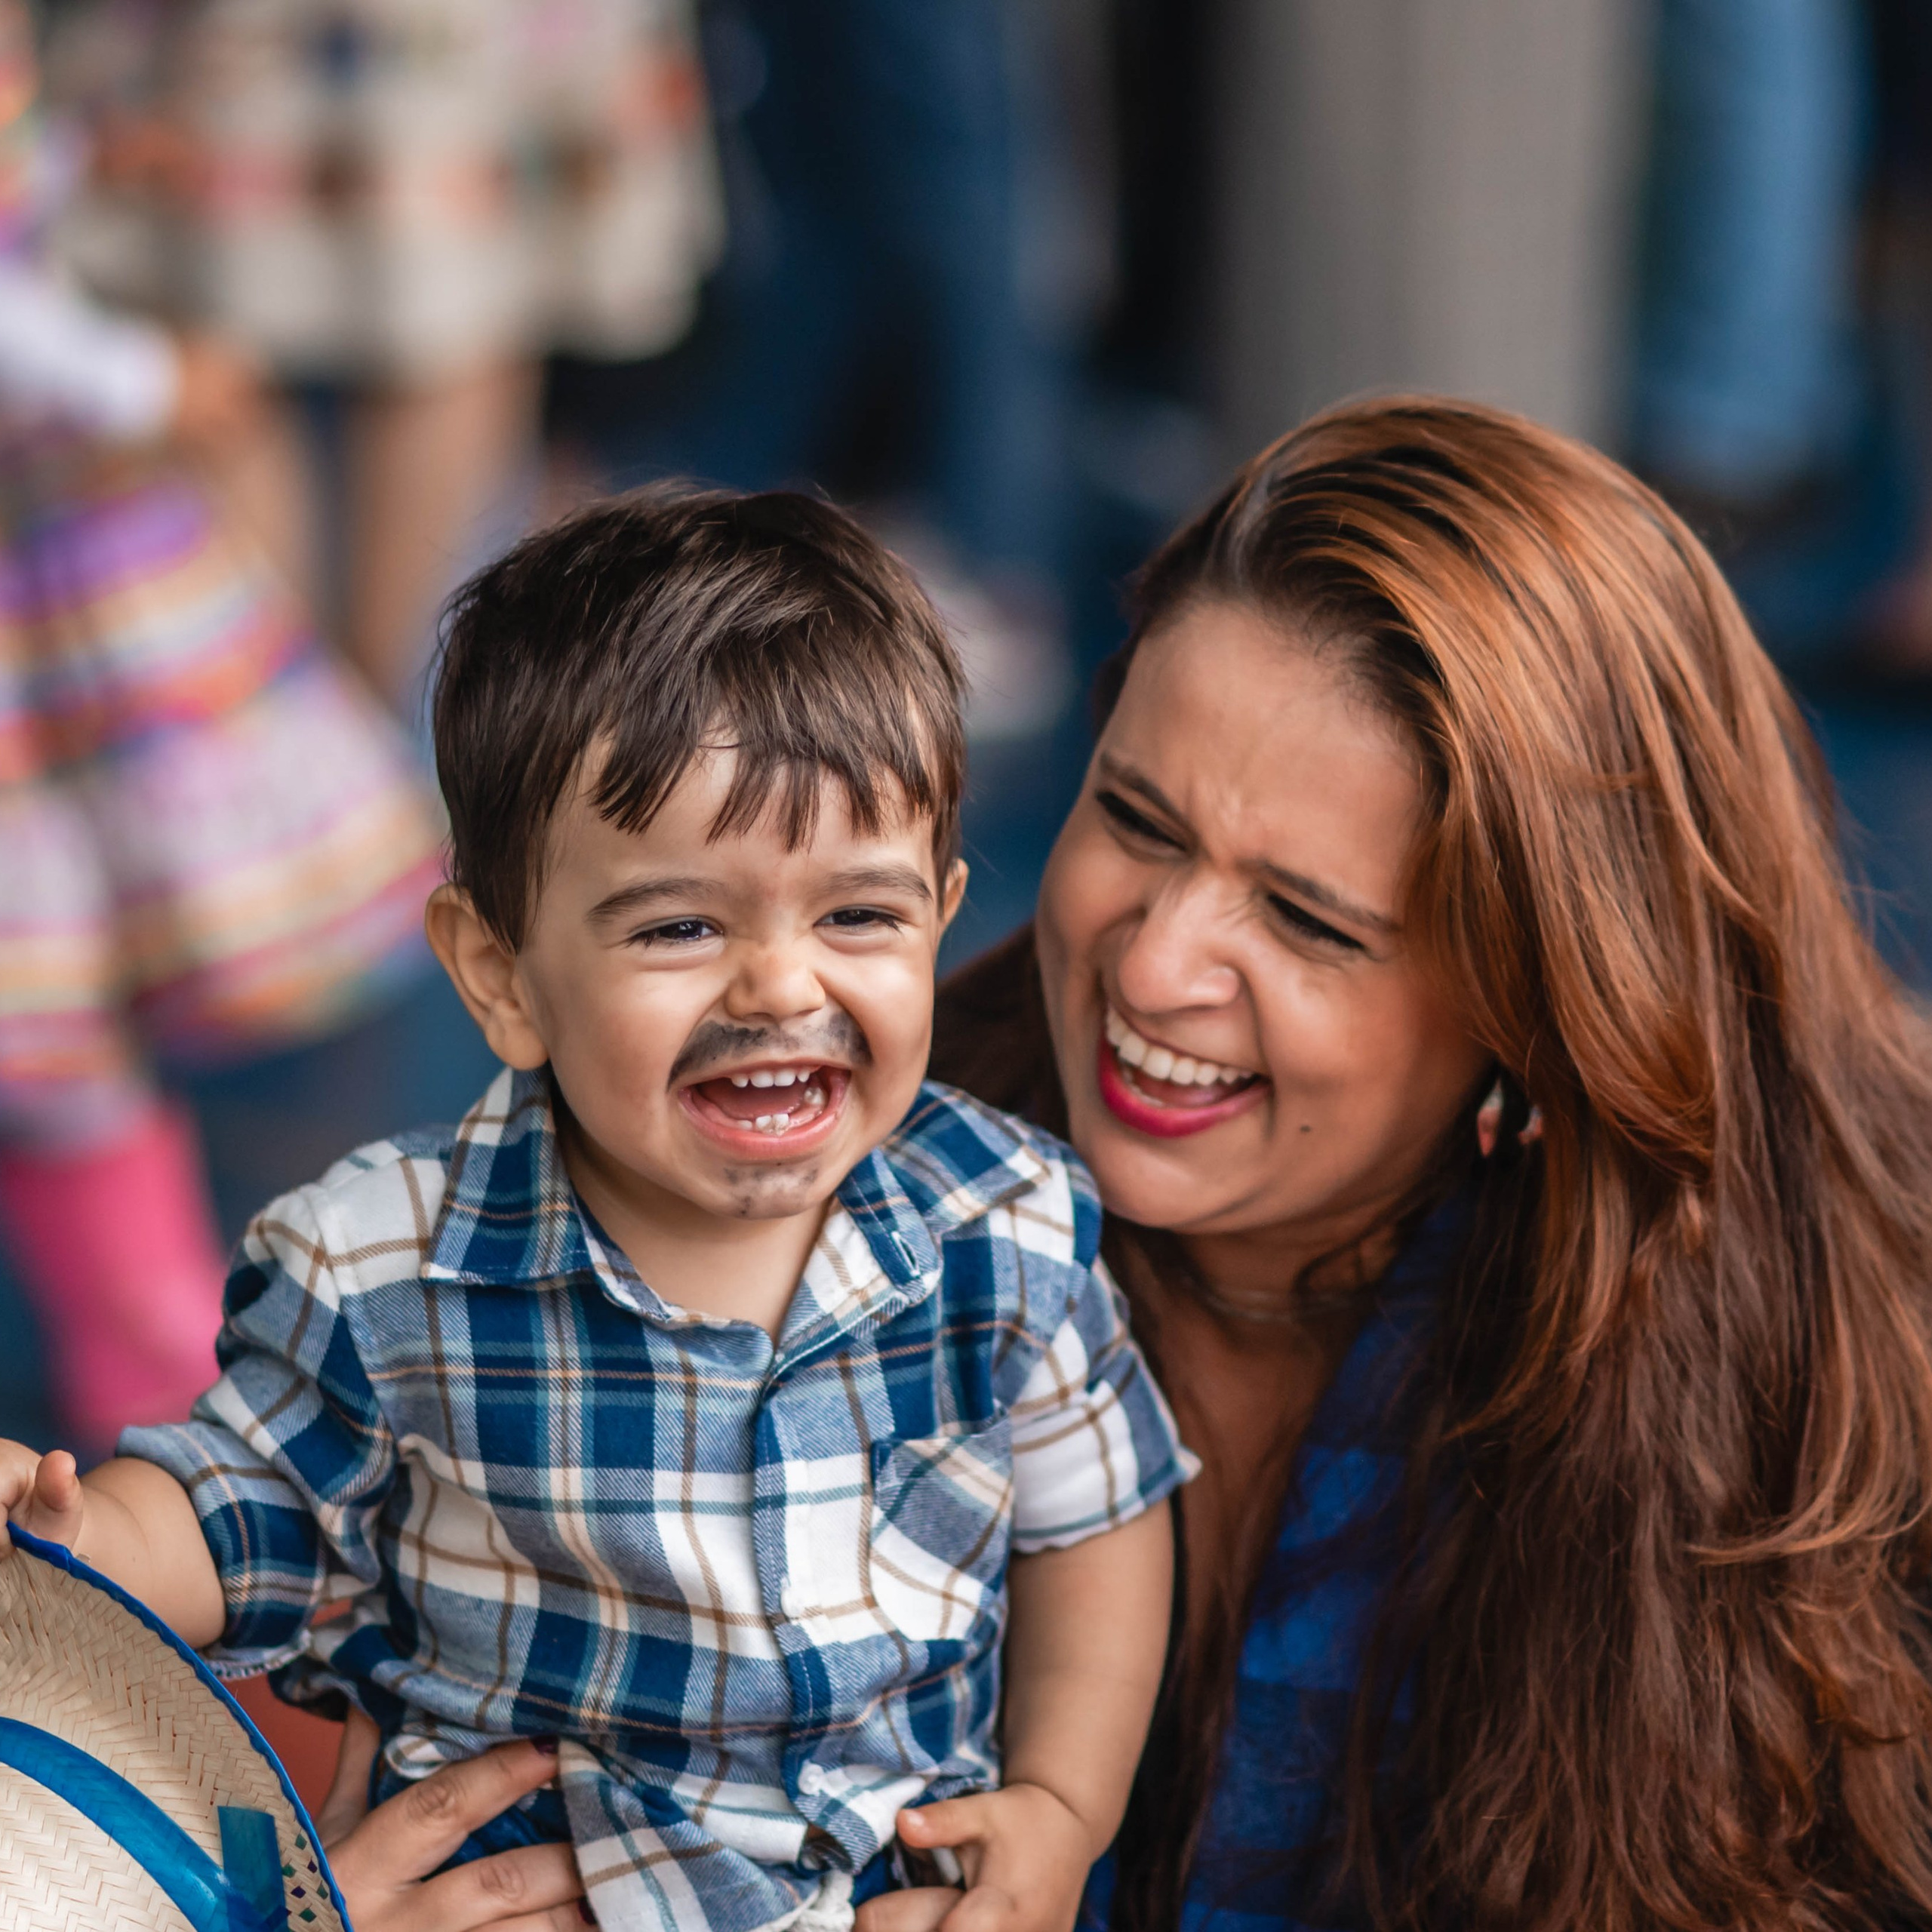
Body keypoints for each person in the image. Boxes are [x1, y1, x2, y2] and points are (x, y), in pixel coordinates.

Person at [166, 394, 1932, 1932]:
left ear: (1538, 1010)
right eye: (1133, 820)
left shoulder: (1802, 1399)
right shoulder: (820, 1166)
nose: (1153, 966)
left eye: (1307, 920)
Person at [1, 488, 1190, 1932]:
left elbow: (1097, 1523)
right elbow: (233, 1510)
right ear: (501, 975)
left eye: (858, 916)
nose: (781, 986)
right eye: (680, 926)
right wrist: (66, 1550)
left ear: (940, 918)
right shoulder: (387, 1269)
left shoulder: (1008, 1228)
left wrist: (1063, 1806)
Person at [0, 0, 443, 1456]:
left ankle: (157, 1371)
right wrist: (144, 383)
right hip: (49, 546)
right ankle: (151, 1386)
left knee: (71, 989)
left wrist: (82, 153)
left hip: (59, 562)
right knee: (46, 1020)